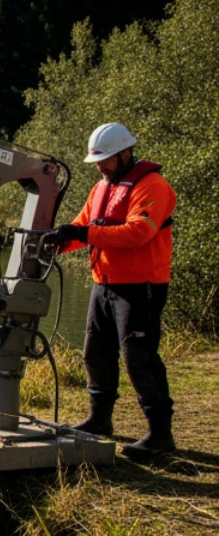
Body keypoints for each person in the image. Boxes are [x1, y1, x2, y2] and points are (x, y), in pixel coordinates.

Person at [43, 122, 177, 461]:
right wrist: (58, 242)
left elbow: (137, 233)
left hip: (140, 287)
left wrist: (84, 234)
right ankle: (99, 419)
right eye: (97, 161)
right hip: (104, 284)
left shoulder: (153, 186)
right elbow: (84, 227)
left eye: (105, 160)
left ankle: (161, 435)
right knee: (95, 352)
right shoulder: (102, 188)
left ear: (125, 153)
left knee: (139, 359)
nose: (100, 167)